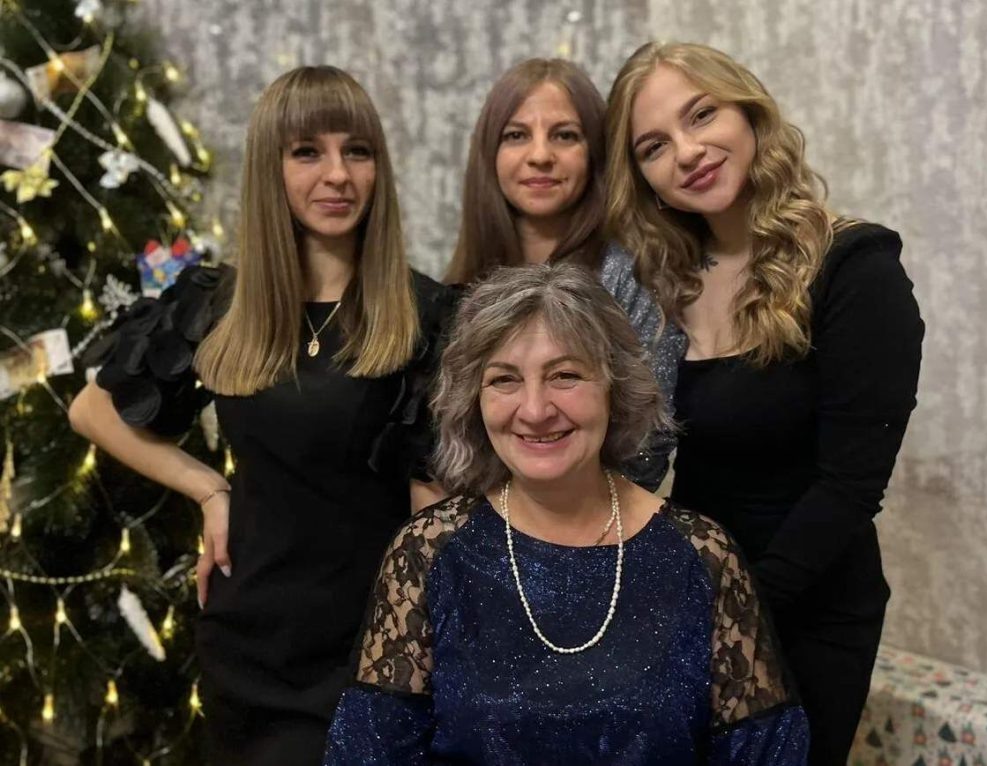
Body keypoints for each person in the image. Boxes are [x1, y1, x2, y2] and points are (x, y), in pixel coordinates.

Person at [69, 65, 451, 764]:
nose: (337, 174)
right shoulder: (218, 303)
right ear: (270, 168)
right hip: (248, 644)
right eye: (307, 152)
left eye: (357, 151)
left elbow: (436, 509)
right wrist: (208, 489)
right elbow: (93, 409)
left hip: (375, 647)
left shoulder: (425, 315)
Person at [323, 263, 809, 765]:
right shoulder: (428, 553)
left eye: (565, 376)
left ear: (615, 386)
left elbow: (768, 753)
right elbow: (366, 753)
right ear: (473, 401)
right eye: (504, 380)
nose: (535, 410)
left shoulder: (702, 557)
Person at [605, 42, 925, 765]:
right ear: (645, 181)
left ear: (750, 115)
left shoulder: (856, 266)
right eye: (654, 146)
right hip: (696, 593)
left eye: (701, 115)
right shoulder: (665, 283)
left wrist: (731, 612)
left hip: (809, 609)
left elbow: (850, 487)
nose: (687, 152)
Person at [445, 57, 684, 491]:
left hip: (598, 521)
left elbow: (648, 442)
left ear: (595, 153)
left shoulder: (636, 277)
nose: (540, 156)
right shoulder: (457, 288)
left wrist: (548, 516)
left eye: (565, 135)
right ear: (489, 154)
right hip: (482, 519)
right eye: (516, 135)